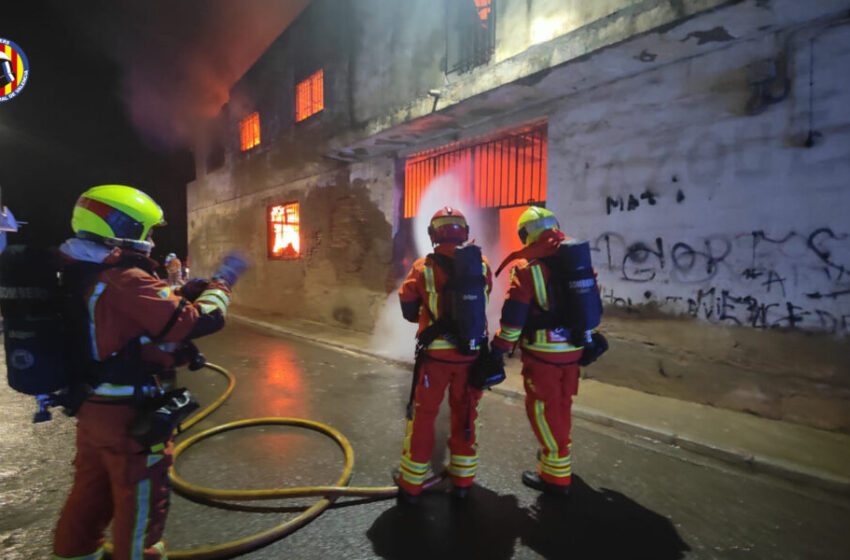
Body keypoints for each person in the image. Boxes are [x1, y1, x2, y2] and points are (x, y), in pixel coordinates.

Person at [51, 184, 247, 560]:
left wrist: (184, 290)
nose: (152, 240)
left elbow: (129, 323)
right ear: (122, 227)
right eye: (148, 231)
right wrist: (222, 284)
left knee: (91, 493)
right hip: (128, 413)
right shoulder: (125, 279)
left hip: (92, 405)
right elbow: (196, 321)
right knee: (140, 501)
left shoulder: (81, 270)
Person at [490, 206, 605, 498]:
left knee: (542, 408)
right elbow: (590, 307)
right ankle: (559, 460)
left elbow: (514, 320)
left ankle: (555, 475)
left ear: (527, 234)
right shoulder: (580, 264)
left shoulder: (529, 269)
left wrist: (499, 348)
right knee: (561, 405)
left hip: (544, 355)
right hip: (574, 350)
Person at [396, 206, 493, 504]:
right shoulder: (482, 264)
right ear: (463, 231)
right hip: (471, 354)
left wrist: (431, 316)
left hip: (436, 357)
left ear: (433, 233)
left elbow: (408, 307)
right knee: (465, 414)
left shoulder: (422, 266)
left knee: (424, 416)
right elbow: (483, 302)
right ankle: (463, 481)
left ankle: (412, 485)